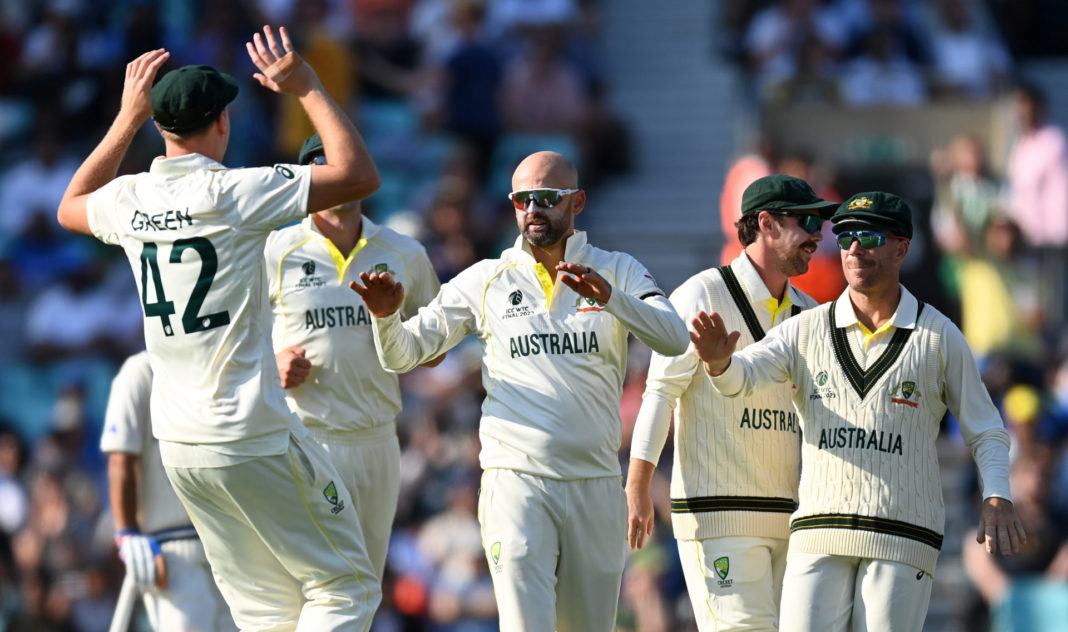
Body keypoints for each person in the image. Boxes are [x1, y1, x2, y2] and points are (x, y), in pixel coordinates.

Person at [56, 26, 383, 629]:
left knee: (264, 610)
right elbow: (359, 175)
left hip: (180, 445)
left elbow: (69, 204)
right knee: (348, 586)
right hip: (249, 432)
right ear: (223, 123)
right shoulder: (237, 191)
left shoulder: (128, 199)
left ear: (160, 127)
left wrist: (127, 118)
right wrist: (307, 86)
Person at [350, 150, 690, 631]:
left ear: (577, 202)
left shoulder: (618, 269)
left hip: (594, 482)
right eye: (521, 198)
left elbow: (674, 337)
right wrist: (385, 317)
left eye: (546, 197)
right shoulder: (485, 280)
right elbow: (403, 355)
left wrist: (609, 299)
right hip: (516, 481)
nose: (533, 208)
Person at [689, 191, 1027, 631]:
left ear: (902, 247)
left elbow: (986, 429)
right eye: (845, 235)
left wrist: (997, 492)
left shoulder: (938, 336)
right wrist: (719, 362)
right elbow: (743, 378)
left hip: (902, 535)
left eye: (868, 236)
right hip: (818, 532)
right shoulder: (805, 328)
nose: (853, 249)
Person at [627, 174, 838, 631]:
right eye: (806, 221)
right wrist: (638, 485)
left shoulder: (809, 311)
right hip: (717, 514)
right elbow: (660, 392)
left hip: (789, 516)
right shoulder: (701, 294)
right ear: (766, 223)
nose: (817, 236)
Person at [266, 132, 443, 582]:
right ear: (309, 181)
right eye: (325, 173)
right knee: (317, 587)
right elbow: (234, 339)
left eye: (345, 170)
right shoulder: (274, 251)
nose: (338, 183)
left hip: (379, 440)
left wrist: (392, 322)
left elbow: (435, 354)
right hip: (305, 437)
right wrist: (272, 365)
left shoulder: (405, 254)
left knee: (364, 586)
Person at [101, 351, 237, 631]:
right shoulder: (139, 372)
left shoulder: (216, 362)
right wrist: (127, 533)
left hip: (230, 542)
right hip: (173, 551)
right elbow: (120, 459)